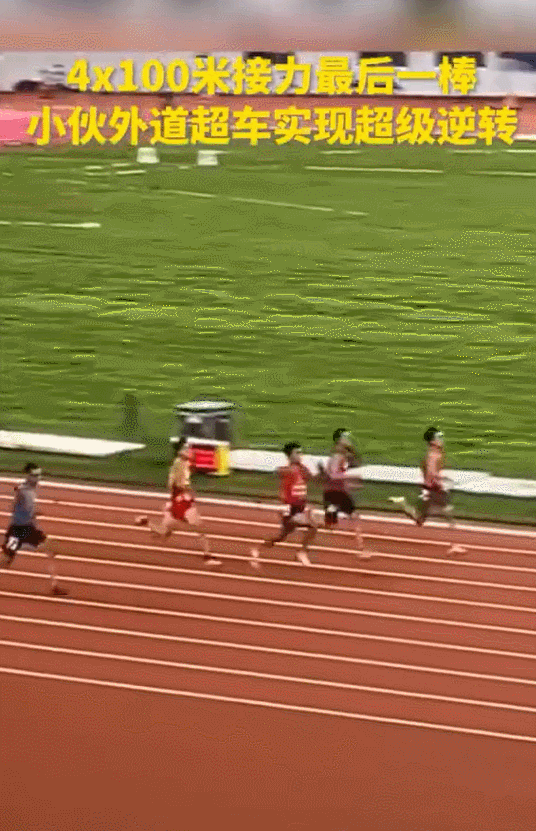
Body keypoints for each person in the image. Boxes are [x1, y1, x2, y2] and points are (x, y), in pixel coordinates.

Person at [135, 438, 222, 567]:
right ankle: (207, 556)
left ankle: (146, 522)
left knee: (164, 534)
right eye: (186, 450)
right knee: (200, 528)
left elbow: (174, 483)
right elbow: (180, 484)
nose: (189, 452)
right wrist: (188, 490)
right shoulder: (180, 465)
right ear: (181, 452)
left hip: (176, 502)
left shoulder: (179, 463)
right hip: (183, 504)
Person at [389, 427, 465, 555]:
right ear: (432, 441)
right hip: (433, 490)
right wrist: (441, 481)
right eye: (438, 438)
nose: (441, 440)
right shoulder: (433, 455)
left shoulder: (435, 453)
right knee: (449, 514)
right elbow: (431, 473)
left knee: (420, 520)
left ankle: (402, 503)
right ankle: (455, 545)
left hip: (432, 490)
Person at [1, 463, 67, 596]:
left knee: (50, 548)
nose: (38, 478)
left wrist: (35, 512)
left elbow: (23, 508)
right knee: (6, 561)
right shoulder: (24, 490)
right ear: (28, 476)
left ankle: (54, 586)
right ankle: (54, 586)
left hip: (28, 529)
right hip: (17, 531)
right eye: (35, 475)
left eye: (39, 475)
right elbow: (21, 506)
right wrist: (32, 512)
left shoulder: (30, 489)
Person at [250, 442, 317, 568]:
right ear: (290, 455)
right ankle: (302, 552)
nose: (300, 455)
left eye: (300, 452)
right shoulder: (289, 470)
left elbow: (310, 478)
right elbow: (279, 473)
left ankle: (257, 549)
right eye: (297, 453)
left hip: (300, 507)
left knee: (281, 536)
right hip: (290, 509)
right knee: (313, 526)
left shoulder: (301, 469)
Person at [318, 429, 373, 560]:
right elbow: (334, 475)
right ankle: (309, 521)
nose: (348, 440)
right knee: (331, 524)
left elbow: (356, 463)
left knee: (352, 517)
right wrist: (352, 477)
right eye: (345, 438)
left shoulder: (343, 455)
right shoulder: (337, 456)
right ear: (340, 440)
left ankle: (361, 549)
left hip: (339, 492)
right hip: (333, 494)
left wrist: (352, 451)